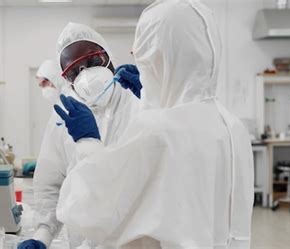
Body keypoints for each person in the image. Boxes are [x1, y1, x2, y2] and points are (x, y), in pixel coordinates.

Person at [54, 1, 254, 248]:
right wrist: (150, 99)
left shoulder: (159, 132)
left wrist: (87, 142)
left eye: (141, 51)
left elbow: (89, 209)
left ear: (160, 55)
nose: (134, 56)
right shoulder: (233, 127)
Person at [18, 23, 140, 249]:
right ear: (66, 78)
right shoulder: (64, 118)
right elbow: (51, 186)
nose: (86, 74)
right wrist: (42, 235)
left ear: (108, 56)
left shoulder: (137, 103)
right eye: (74, 71)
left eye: (93, 61)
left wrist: (154, 102)